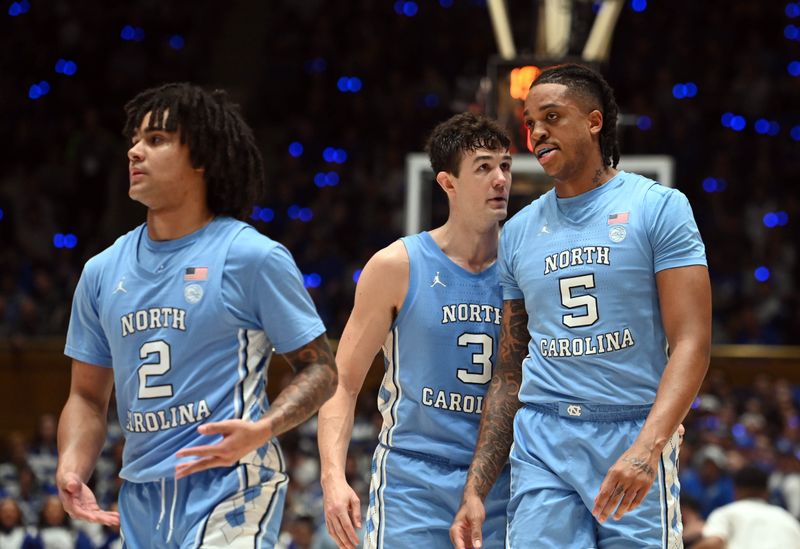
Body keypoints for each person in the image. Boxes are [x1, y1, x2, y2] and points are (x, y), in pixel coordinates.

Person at [56, 83, 337, 548]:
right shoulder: (101, 271)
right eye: (135, 139)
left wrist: (263, 430)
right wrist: (71, 466)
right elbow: (87, 397)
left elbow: (321, 368)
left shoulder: (251, 256)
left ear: (201, 158)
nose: (135, 151)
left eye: (157, 139)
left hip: (233, 481)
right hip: (141, 496)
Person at [451, 63, 712, 548]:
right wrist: (476, 487)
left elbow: (693, 342)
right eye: (530, 123)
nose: (537, 132)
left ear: (594, 122)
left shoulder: (659, 206)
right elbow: (509, 371)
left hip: (630, 429)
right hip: (543, 436)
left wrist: (648, 448)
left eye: (551, 116)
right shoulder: (519, 232)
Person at [317, 113, 513, 549]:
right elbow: (342, 384)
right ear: (448, 183)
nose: (500, 179)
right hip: (413, 480)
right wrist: (333, 479)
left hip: (502, 481)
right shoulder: (396, 266)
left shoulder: (527, 267)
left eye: (505, 165)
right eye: (483, 167)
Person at [692, 465, 800, 549]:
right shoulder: (787, 518)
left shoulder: (726, 512)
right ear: (767, 492)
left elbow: (713, 543)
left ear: (735, 491)